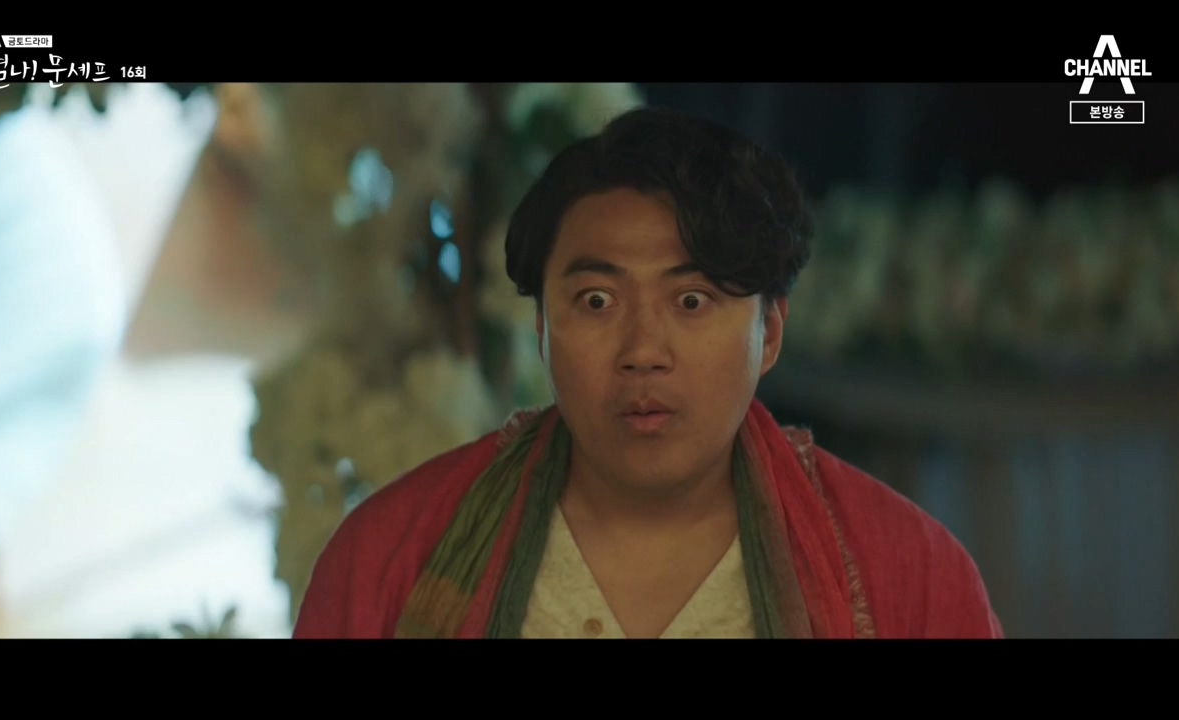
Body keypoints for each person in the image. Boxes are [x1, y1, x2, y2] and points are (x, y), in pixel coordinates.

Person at [293, 107, 1003, 639]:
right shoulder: (389, 557)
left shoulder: (908, 576)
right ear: (541, 329)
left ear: (770, 333)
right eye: (596, 301)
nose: (643, 350)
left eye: (691, 301)